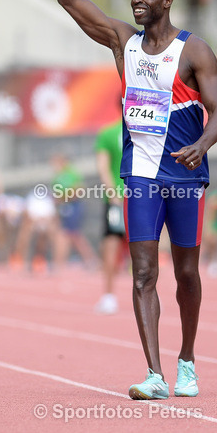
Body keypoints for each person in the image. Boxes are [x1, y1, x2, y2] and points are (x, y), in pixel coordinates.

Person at [58, 0, 217, 400]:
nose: (136, 1)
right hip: (140, 175)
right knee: (142, 272)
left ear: (167, 2)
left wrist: (201, 144)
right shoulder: (122, 43)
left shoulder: (195, 52)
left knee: (187, 273)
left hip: (185, 176)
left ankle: (188, 359)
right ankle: (154, 374)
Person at [93, 119, 127, 314]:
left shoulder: (108, 132)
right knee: (145, 247)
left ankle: (108, 296)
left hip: (119, 199)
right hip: (144, 197)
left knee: (111, 246)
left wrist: (112, 193)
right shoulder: (148, 127)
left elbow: (103, 167)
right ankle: (150, 295)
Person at [51, 153, 98, 270]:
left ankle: (89, 260)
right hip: (64, 207)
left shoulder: (71, 173)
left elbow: (79, 190)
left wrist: (65, 197)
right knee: (68, 234)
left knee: (71, 234)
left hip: (74, 206)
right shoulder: (57, 176)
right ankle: (60, 262)